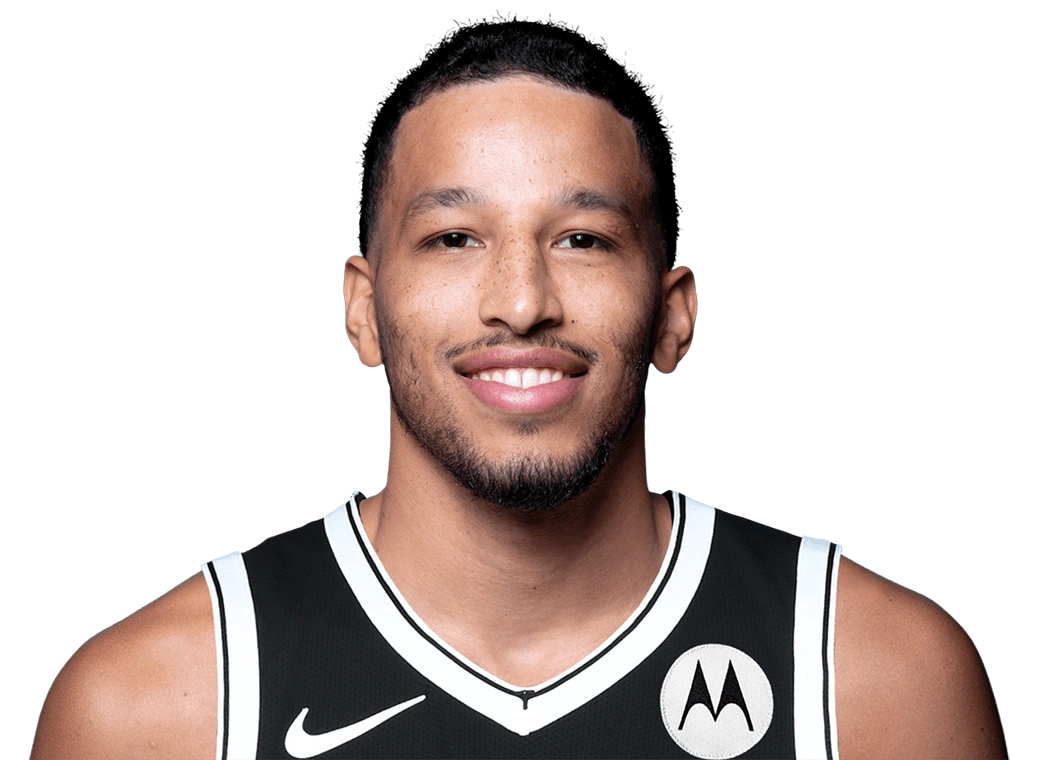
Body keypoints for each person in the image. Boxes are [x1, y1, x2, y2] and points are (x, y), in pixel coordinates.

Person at [32, 17, 1005, 760]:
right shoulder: (159, 710)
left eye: (582, 238)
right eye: (454, 238)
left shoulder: (870, 682)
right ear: (361, 311)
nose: (522, 302)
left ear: (674, 317)